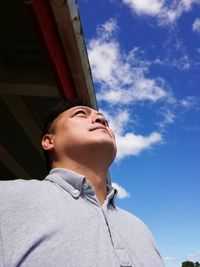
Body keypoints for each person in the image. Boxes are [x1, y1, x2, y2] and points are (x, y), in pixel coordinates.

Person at [0, 99, 164, 267]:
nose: (101, 120)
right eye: (80, 114)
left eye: (105, 120)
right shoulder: (6, 198)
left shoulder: (140, 227)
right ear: (49, 141)